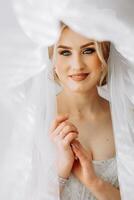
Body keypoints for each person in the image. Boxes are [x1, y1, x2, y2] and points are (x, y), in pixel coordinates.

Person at [48, 23, 120, 199]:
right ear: (52, 59)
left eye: (88, 51)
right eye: (65, 52)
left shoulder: (128, 119)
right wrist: (61, 170)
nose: (77, 65)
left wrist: (94, 182)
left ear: (104, 53)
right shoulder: (33, 119)